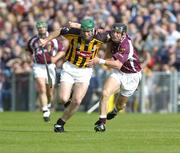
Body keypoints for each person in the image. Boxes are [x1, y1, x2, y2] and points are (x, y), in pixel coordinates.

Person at [39, 17, 110, 132]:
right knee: (63, 99)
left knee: (77, 101)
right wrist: (46, 40)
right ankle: (70, 99)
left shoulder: (100, 37)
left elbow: (113, 36)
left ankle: (60, 123)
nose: (86, 34)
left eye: (89, 31)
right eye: (84, 31)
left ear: (92, 31)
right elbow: (60, 31)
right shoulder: (74, 33)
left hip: (85, 71)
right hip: (70, 68)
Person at [88, 23, 142, 132]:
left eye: (118, 33)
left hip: (132, 76)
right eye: (114, 32)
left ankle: (115, 111)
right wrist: (76, 25)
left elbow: (117, 64)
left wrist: (100, 61)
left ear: (123, 34)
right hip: (119, 73)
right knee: (105, 93)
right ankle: (102, 123)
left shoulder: (126, 45)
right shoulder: (111, 35)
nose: (115, 35)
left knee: (121, 105)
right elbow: (93, 31)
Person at [27, 20, 68, 122]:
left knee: (50, 92)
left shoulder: (53, 39)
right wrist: (30, 59)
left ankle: (48, 104)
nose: (41, 29)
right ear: (37, 29)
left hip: (50, 66)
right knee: (41, 88)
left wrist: (55, 58)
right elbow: (28, 51)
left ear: (46, 28)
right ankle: (45, 110)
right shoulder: (33, 41)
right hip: (38, 66)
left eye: (43, 27)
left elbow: (62, 51)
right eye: (39, 27)